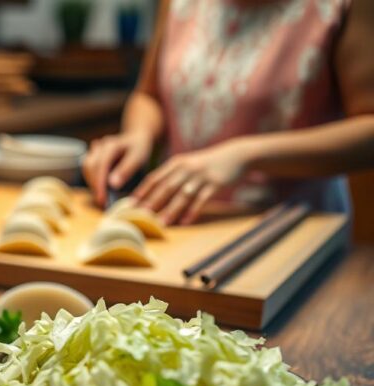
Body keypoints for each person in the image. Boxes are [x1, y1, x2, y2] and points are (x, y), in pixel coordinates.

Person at [82, 0, 374, 225]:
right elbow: (149, 95)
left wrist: (245, 154)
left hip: (293, 232)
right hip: (180, 222)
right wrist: (138, 136)